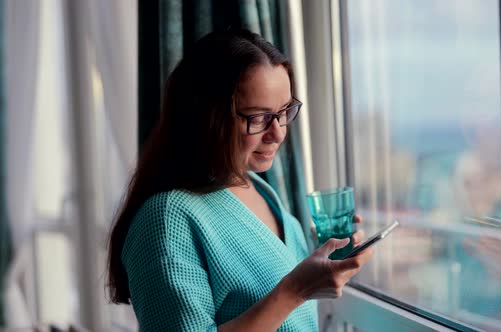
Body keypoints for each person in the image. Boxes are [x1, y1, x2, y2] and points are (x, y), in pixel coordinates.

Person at [106, 29, 373, 331]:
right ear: (207, 117)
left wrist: (328, 252)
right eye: (258, 118)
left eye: (284, 111)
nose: (279, 133)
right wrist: (295, 290)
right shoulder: (166, 219)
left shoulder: (257, 188)